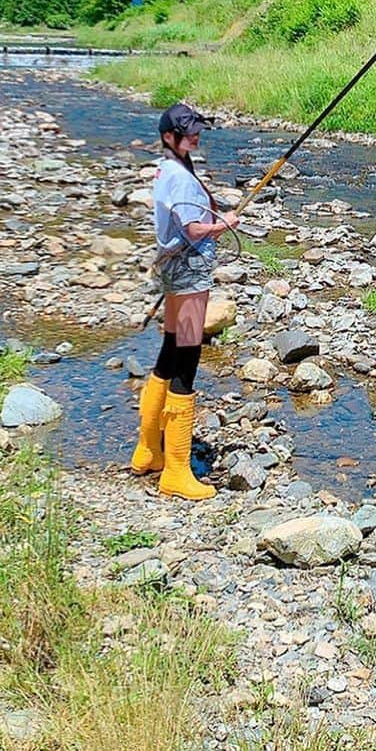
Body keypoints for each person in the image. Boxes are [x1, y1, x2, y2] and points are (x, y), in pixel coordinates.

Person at [130, 102, 239, 499]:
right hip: (189, 272)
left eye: (197, 129)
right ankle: (176, 470)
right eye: (188, 131)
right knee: (187, 360)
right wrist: (222, 224)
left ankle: (148, 451)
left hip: (175, 270)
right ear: (168, 138)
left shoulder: (172, 168)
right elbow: (193, 227)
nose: (195, 135)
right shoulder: (178, 176)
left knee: (170, 350)